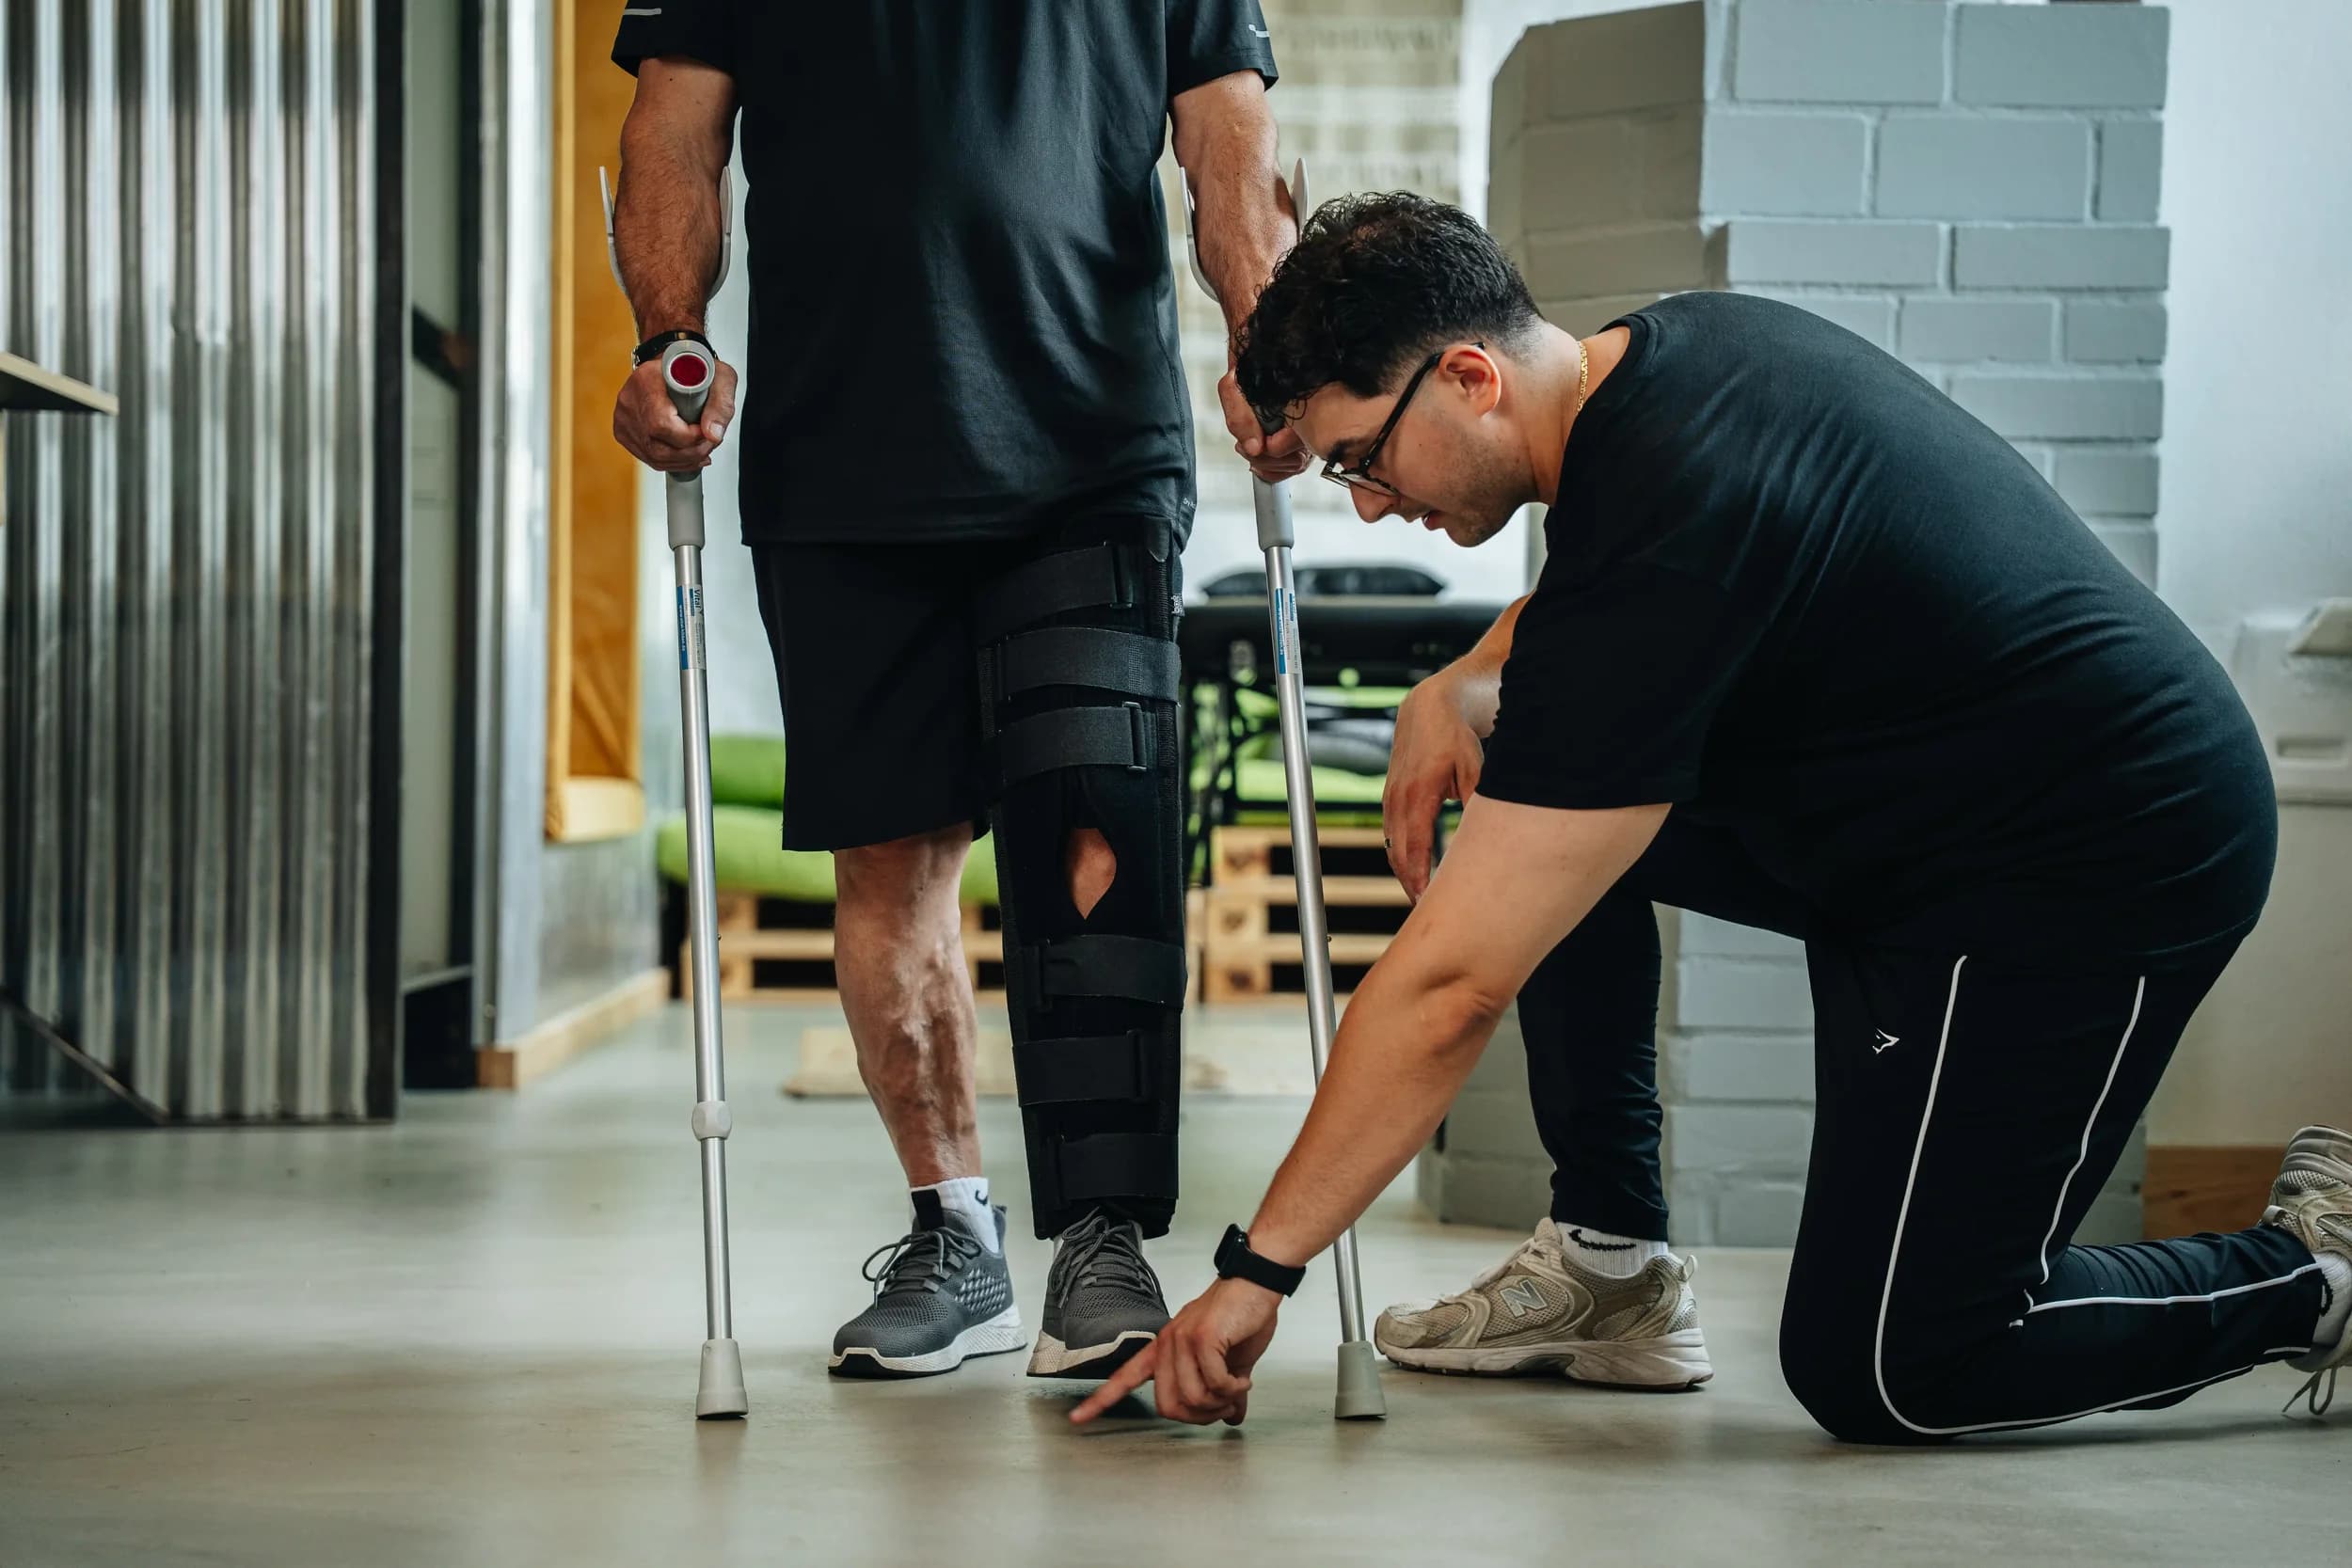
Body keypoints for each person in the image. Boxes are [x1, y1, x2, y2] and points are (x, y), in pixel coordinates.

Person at [1073, 193, 2351, 1438]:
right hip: (1925, 826)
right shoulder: (1653, 370)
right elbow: (1620, 600)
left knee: (1907, 1365)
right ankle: (1612, 1264)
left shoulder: (1677, 494)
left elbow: (1450, 985)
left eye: (1361, 458)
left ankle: (2319, 1272)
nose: (1365, 501)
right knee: (1536, 796)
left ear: (1468, 376)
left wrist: (1262, 1268)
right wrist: (1468, 678)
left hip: (2096, 853)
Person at [607, 3, 1306, 1384]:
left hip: (1088, 450)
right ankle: (955, 1233)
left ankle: (1102, 1235)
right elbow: (673, 139)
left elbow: (1229, 148)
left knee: (1096, 824)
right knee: (890, 860)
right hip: (839, 462)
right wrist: (666, 336)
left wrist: (1267, 339)